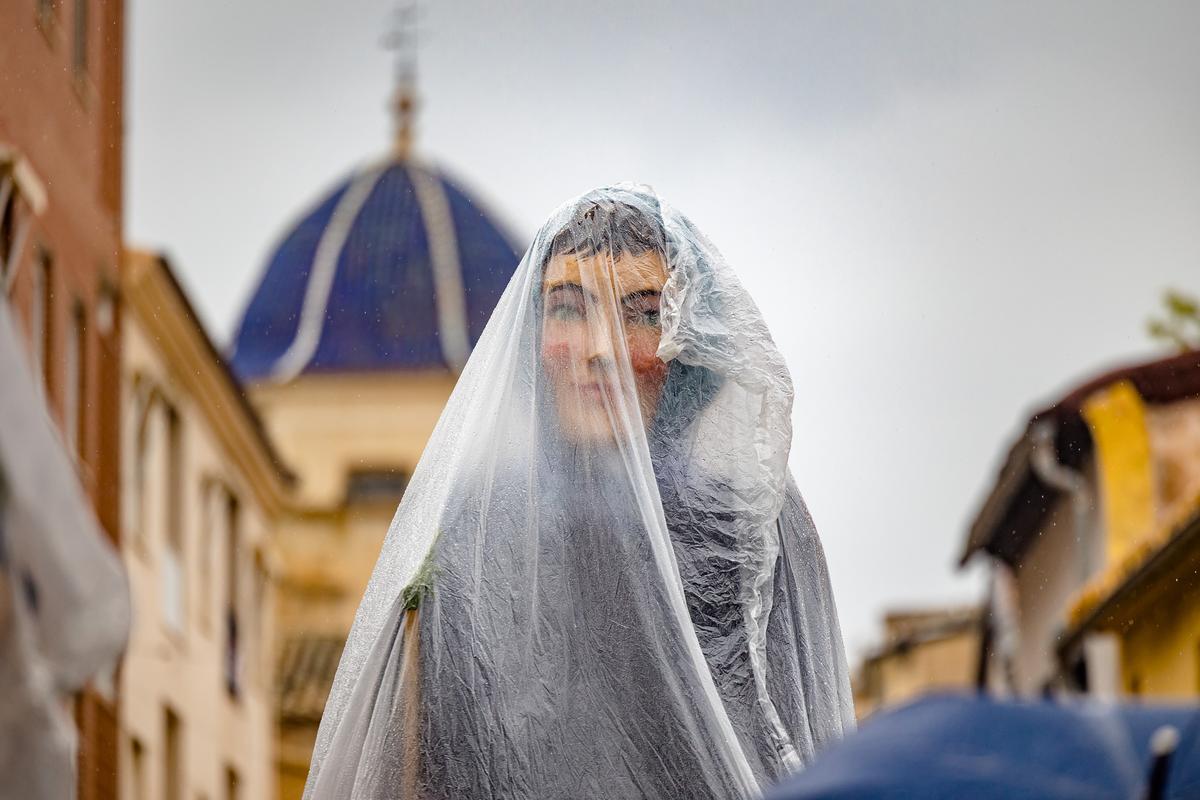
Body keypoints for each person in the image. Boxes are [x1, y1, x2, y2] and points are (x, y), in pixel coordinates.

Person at [304, 185, 854, 799]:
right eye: (569, 308)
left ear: (689, 346)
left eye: (644, 313)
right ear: (531, 343)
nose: (601, 350)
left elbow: (796, 747)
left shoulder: (756, 539)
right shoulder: (472, 539)